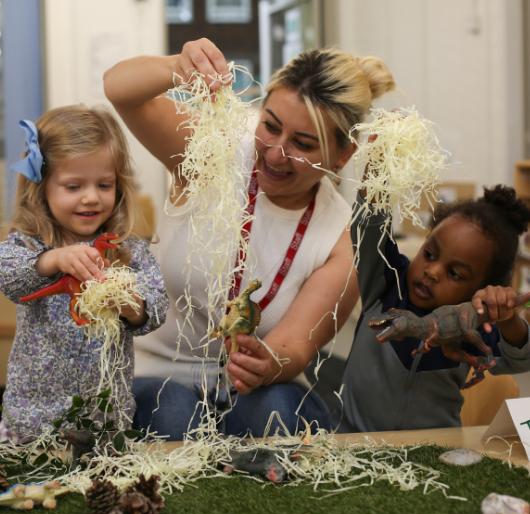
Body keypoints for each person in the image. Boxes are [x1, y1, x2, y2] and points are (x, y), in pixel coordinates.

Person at [103, 38, 395, 440]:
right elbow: (120, 89)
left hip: (256, 390)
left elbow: (295, 346)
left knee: (275, 415)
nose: (276, 154)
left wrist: (268, 362)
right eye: (271, 126)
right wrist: (180, 66)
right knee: (173, 415)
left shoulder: (341, 236)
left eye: (303, 144)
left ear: (342, 156)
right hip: (158, 375)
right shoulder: (212, 153)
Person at [0, 105, 169, 442]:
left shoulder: (128, 250)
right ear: (42, 187)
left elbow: (156, 309)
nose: (91, 198)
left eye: (104, 185)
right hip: (34, 424)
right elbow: (9, 277)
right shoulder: (29, 245)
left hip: (104, 424)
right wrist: (53, 260)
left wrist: (124, 301)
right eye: (73, 186)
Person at [339, 184, 530, 432]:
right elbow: (367, 226)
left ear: (481, 290)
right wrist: (377, 174)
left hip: (432, 453)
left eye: (455, 273)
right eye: (429, 254)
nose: (432, 272)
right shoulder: (387, 283)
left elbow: (520, 360)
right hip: (350, 443)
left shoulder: (474, 323)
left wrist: (506, 319)